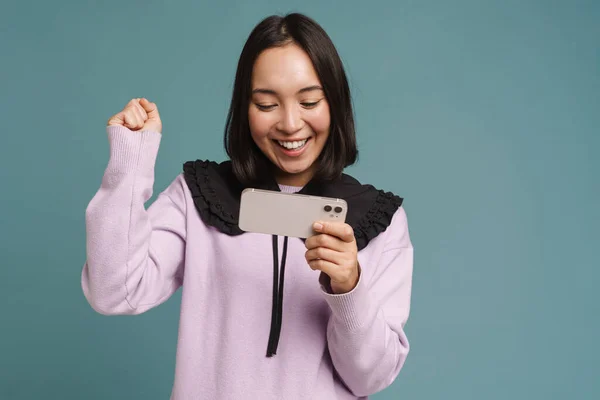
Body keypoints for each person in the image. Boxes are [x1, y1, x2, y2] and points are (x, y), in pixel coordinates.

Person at [81, 12, 414, 400]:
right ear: (244, 109)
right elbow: (113, 291)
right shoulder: (200, 195)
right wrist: (130, 163)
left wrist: (349, 286)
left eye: (309, 101)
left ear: (335, 104)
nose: (290, 124)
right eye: (266, 104)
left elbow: (369, 379)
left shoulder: (379, 220)